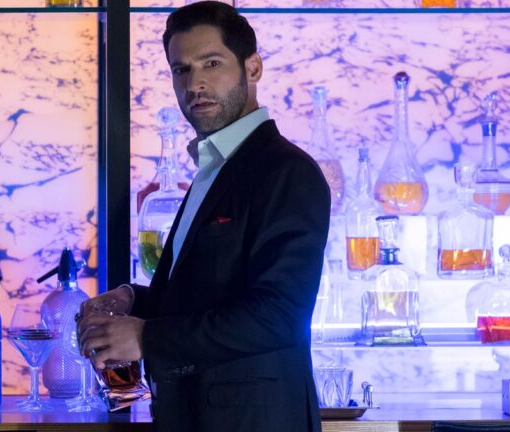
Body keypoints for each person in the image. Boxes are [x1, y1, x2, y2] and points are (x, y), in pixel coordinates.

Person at [76, 2, 330, 431]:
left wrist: (144, 337)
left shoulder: (287, 171)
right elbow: (207, 296)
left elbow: (280, 316)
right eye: (181, 69)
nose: (195, 84)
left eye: (212, 63)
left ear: (253, 68)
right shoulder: (213, 169)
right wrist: (134, 299)